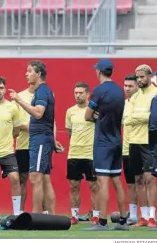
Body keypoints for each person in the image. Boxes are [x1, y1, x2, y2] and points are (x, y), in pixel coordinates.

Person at [84, 58, 128, 231]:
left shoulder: (98, 90)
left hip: (103, 142)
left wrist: (98, 118)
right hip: (117, 140)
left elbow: (87, 116)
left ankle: (102, 222)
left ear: (99, 72)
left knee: (103, 182)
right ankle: (123, 221)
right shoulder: (119, 91)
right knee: (117, 181)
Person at [9, 61, 58, 215]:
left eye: (29, 71)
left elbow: (38, 113)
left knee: (35, 178)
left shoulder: (42, 91)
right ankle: (51, 216)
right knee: (44, 179)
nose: (26, 74)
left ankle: (36, 216)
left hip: (41, 139)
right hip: (41, 139)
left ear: (39, 74)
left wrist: (18, 100)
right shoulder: (41, 92)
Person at [125, 65, 157, 228]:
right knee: (137, 179)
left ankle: (152, 217)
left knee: (149, 179)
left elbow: (152, 118)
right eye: (137, 77)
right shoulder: (135, 96)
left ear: (150, 77)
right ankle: (143, 217)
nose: (139, 80)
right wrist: (141, 118)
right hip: (134, 141)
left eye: (142, 77)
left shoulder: (155, 94)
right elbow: (127, 119)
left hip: (149, 141)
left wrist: (138, 118)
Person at [0, 77, 23, 222]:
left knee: (15, 178)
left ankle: (16, 214)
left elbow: (17, 130)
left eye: (1, 88)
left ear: (5, 90)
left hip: (7, 151)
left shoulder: (12, 107)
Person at [65, 82, 99, 225]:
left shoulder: (93, 111)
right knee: (74, 186)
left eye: (80, 93)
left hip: (90, 154)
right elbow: (69, 132)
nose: (77, 95)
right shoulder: (70, 111)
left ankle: (96, 216)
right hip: (74, 154)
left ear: (87, 94)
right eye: (76, 93)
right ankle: (74, 216)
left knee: (94, 186)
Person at [122, 74, 144, 225]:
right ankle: (134, 216)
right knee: (130, 183)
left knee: (142, 181)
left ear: (137, 86)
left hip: (141, 146)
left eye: (130, 86)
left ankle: (147, 215)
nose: (127, 89)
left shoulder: (143, 103)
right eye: (125, 86)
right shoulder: (124, 104)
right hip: (125, 149)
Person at [13, 85, 34, 213]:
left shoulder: (46, 95)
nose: (27, 74)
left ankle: (45, 213)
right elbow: (15, 124)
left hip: (40, 144)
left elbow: (49, 121)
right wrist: (24, 126)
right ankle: (20, 211)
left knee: (40, 179)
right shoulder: (18, 96)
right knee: (22, 179)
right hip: (22, 145)